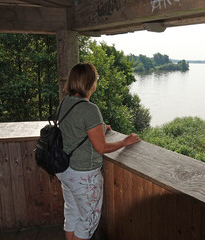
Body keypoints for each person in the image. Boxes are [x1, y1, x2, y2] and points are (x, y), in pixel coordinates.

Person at [55, 63, 141, 240]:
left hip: (65, 170)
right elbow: (101, 148)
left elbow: (74, 130)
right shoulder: (90, 109)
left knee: (72, 213)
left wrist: (99, 128)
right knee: (88, 221)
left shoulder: (65, 102)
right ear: (91, 83)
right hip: (83, 175)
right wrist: (125, 141)